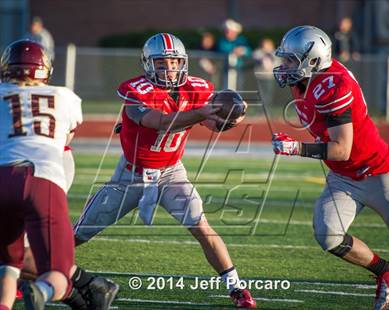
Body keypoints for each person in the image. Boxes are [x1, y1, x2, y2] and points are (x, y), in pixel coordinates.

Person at [73, 33, 256, 308]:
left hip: (172, 172)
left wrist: (231, 117)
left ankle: (237, 289)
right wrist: (204, 111)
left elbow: (213, 125)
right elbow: (159, 122)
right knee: (79, 233)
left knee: (201, 225)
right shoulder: (135, 91)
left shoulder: (196, 88)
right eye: (161, 63)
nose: (169, 68)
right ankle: (25, 268)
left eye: (174, 62)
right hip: (131, 176)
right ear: (148, 64)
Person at [271, 26, 389, 310]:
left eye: (291, 60)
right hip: (343, 177)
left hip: (378, 173)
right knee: (328, 235)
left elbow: (341, 150)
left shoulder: (334, 85)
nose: (284, 66)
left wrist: (295, 148)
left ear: (312, 61)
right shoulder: (303, 80)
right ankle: (385, 271)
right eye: (285, 59)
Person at [0, 40, 119, 310]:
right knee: (56, 272)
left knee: (9, 263)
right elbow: (65, 136)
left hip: (5, 175)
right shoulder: (65, 96)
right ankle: (48, 290)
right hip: (44, 175)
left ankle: (85, 289)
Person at [217, 19, 252, 89]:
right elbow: (222, 50)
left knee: (238, 89)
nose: (227, 32)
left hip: (238, 69)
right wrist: (234, 51)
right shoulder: (222, 41)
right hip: (226, 69)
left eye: (229, 31)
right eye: (226, 31)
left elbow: (249, 51)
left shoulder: (241, 40)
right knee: (225, 88)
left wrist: (243, 50)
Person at [252, 38, 277, 106]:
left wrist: (269, 54)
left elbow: (277, 63)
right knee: (260, 94)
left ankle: (267, 108)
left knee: (268, 94)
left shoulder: (274, 53)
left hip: (269, 77)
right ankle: (259, 110)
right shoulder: (258, 52)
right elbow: (255, 58)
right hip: (260, 77)